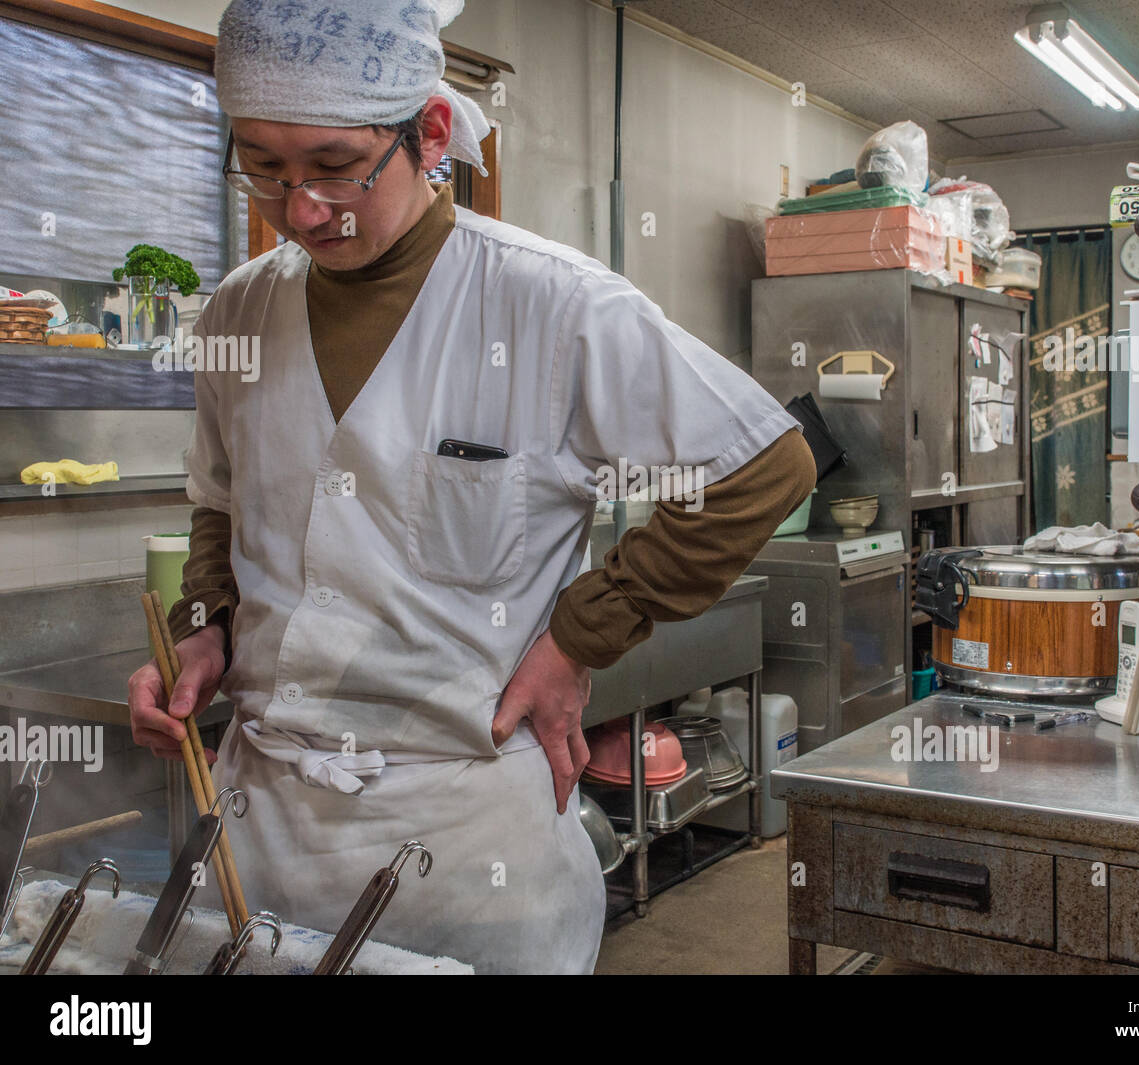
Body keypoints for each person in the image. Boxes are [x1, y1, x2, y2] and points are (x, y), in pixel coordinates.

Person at [127, 0, 816, 974]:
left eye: (333, 166)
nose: (302, 208)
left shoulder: (548, 303)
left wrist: (583, 633)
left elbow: (761, 467)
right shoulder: (242, 307)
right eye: (265, 168)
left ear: (432, 132)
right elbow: (221, 498)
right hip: (262, 823)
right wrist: (203, 625)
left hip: (463, 837)